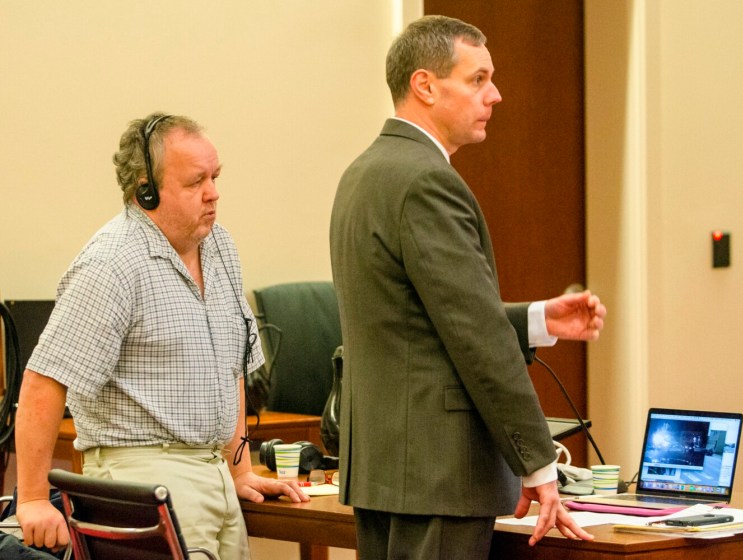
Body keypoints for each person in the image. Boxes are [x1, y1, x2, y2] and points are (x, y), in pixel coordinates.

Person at [329, 15, 606, 559]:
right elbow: (475, 336)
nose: (496, 95)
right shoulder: (428, 180)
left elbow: (417, 317)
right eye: (478, 79)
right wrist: (538, 460)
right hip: (439, 471)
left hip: (388, 466)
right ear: (426, 86)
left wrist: (535, 319)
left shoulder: (364, 172)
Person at [14, 113, 308, 559]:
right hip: (143, 479)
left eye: (215, 176)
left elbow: (231, 370)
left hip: (214, 475)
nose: (213, 193)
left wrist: (241, 470)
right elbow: (43, 381)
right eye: (195, 182)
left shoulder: (220, 247)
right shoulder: (112, 263)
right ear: (144, 189)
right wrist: (33, 499)